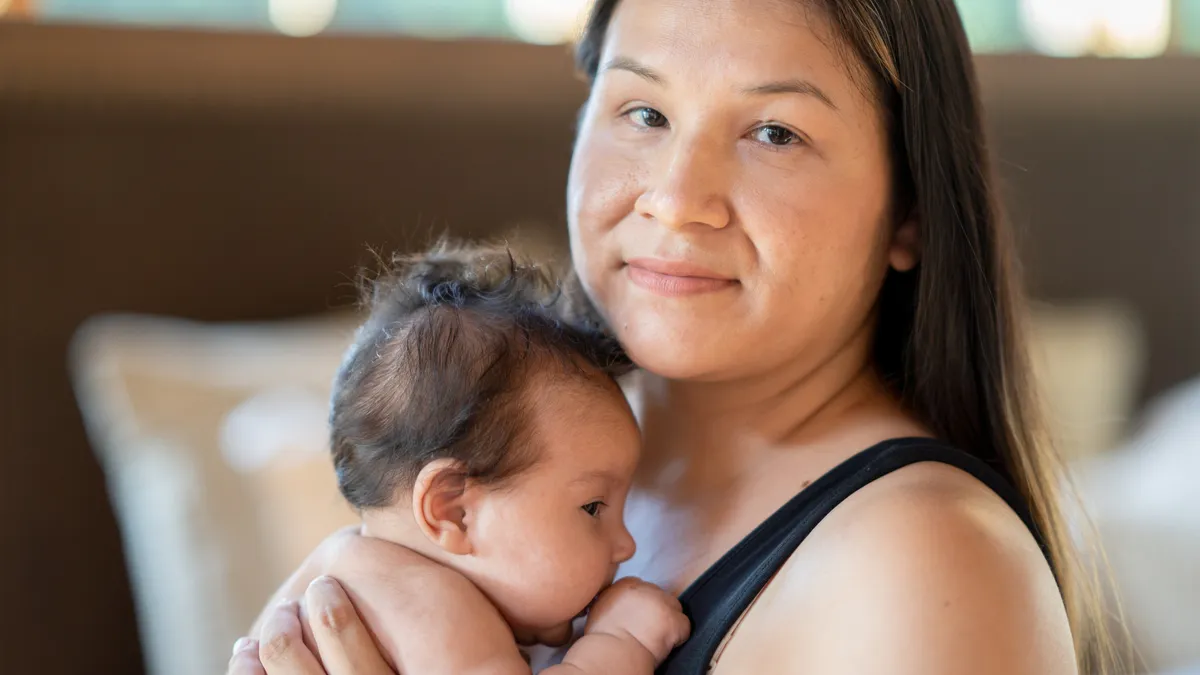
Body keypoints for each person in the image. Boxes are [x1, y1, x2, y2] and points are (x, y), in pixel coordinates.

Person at [228, 0, 1119, 673]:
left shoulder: (927, 564)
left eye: (775, 132)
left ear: (910, 212)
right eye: (644, 113)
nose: (677, 197)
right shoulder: (489, 459)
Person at [299, 242, 689, 674]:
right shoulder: (433, 610)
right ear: (454, 511)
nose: (626, 545)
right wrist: (620, 642)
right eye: (593, 507)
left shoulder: (342, 570)